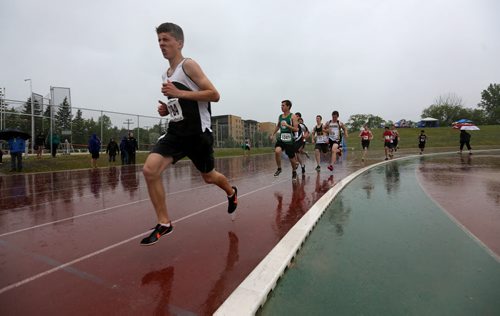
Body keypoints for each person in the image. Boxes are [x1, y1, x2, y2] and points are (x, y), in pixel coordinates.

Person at [140, 22, 238, 246]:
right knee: (149, 169)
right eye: (159, 41)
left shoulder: (188, 65)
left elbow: (214, 95)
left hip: (197, 134)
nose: (161, 44)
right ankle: (164, 223)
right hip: (176, 131)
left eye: (166, 40)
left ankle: (231, 192)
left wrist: (178, 93)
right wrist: (168, 109)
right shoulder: (165, 73)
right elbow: (179, 101)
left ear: (179, 43)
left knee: (208, 177)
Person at [270, 100, 300, 180]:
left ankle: (294, 171)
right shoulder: (280, 116)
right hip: (281, 139)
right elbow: (278, 126)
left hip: (289, 140)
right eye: (281, 105)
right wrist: (273, 134)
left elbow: (296, 129)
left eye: (283, 105)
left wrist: (287, 125)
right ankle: (279, 168)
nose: (281, 107)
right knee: (277, 151)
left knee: (292, 159)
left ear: (288, 106)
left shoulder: (293, 116)